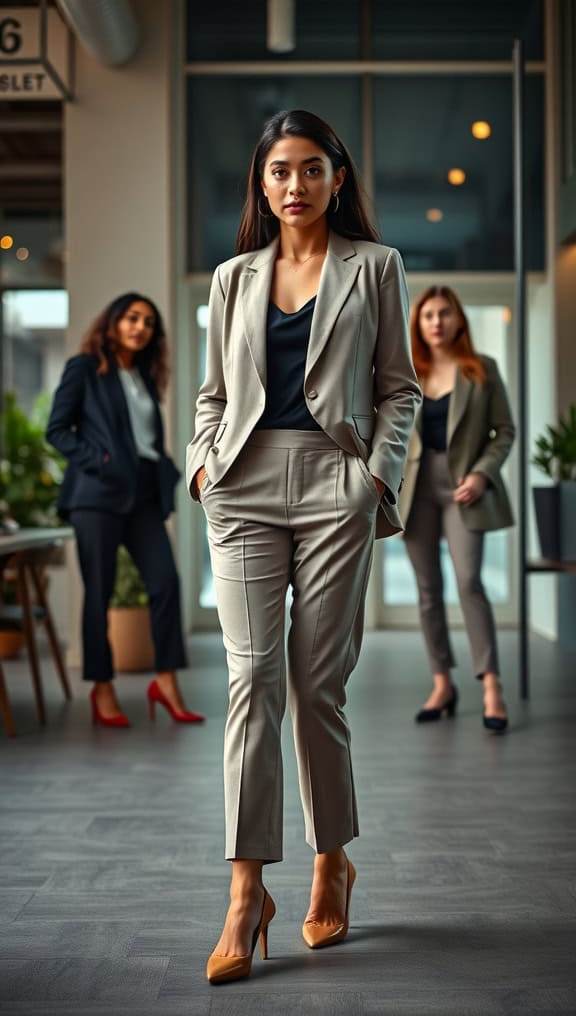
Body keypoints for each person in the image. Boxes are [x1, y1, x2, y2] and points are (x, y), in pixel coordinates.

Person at [186, 109, 421, 984]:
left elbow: (398, 390)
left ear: (337, 178)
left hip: (336, 482)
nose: (294, 185)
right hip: (242, 484)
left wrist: (374, 478)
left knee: (317, 685)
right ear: (262, 181)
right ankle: (247, 892)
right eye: (279, 170)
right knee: (251, 681)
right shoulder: (231, 278)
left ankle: (332, 862)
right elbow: (213, 395)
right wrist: (203, 465)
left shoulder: (377, 268)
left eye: (311, 169)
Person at [46, 292, 204, 728]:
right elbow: (57, 430)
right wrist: (101, 460)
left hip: (143, 495)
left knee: (166, 583)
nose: (140, 327)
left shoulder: (145, 377)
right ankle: (102, 686)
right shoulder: (86, 368)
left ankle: (167, 681)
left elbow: (145, 440)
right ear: (113, 321)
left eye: (149, 323)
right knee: (99, 591)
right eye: (132, 318)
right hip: (96, 496)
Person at [399, 286, 515, 733]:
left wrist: (483, 473)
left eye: (444, 313)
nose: (436, 322)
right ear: (418, 324)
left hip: (465, 487)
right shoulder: (406, 371)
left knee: (469, 582)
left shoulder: (481, 370)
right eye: (427, 315)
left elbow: (504, 430)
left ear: (458, 319)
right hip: (416, 489)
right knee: (428, 591)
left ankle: (491, 686)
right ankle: (442, 683)